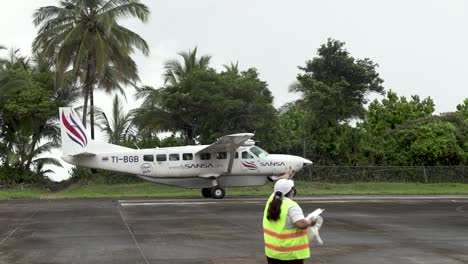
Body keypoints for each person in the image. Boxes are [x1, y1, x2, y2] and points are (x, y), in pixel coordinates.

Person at [262, 176, 315, 264]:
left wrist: (288, 174)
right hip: (290, 254)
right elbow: (301, 224)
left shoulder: (271, 201)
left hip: (273, 252)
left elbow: (280, 188)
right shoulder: (291, 206)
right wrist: (310, 222)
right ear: (291, 192)